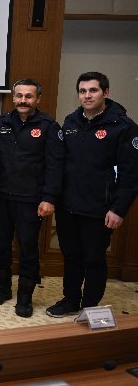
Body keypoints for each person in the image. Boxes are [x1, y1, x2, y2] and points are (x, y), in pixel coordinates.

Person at [46, 72, 138, 317]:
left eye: (93, 90)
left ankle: (90, 307)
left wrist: (118, 209)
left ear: (105, 93)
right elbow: (60, 163)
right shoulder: (71, 122)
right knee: (71, 257)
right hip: (68, 205)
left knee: (94, 259)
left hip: (100, 208)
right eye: (82, 91)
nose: (87, 95)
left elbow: (131, 174)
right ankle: (70, 300)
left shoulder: (123, 126)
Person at [0, 79, 63, 317]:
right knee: (1, 246)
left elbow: (55, 165)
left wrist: (49, 198)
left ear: (37, 99)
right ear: (13, 97)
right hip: (1, 197)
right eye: (19, 95)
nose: (23, 100)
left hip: (31, 200)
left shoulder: (49, 126)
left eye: (28, 96)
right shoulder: (1, 123)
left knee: (28, 250)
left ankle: (25, 297)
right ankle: (2, 289)